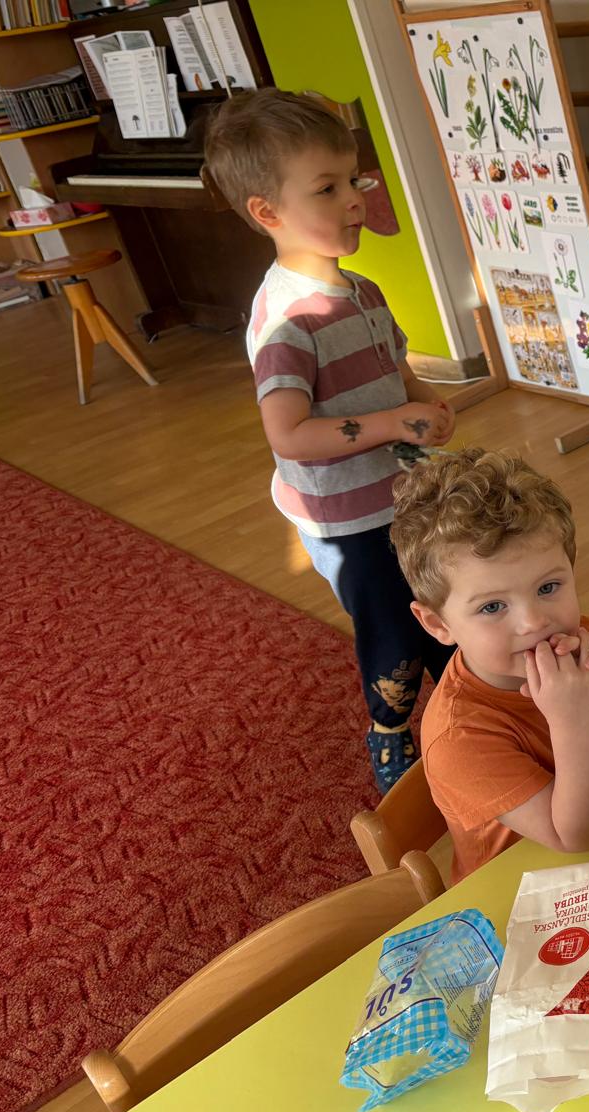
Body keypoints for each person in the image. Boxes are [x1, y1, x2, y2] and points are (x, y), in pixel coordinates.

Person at [205, 88, 457, 792]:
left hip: (405, 490)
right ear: (268, 212)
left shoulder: (363, 291)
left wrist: (426, 403)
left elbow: (395, 370)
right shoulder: (286, 322)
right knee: (393, 633)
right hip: (349, 519)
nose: (353, 199)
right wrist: (390, 425)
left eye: (353, 180)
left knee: (447, 605)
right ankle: (390, 730)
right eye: (327, 188)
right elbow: (288, 433)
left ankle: (471, 707)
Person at [391, 448, 589, 882]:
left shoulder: (582, 639)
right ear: (438, 624)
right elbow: (583, 836)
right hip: (523, 894)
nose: (534, 622)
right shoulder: (459, 736)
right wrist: (574, 721)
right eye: (492, 607)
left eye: (548, 587)